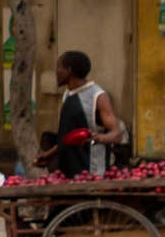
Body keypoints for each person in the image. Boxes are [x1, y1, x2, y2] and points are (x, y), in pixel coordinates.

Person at [35, 50, 124, 178]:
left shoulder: (98, 96)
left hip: (92, 174)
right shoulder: (68, 94)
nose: (56, 72)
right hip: (69, 172)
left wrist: (98, 138)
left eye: (59, 67)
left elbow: (117, 134)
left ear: (69, 70)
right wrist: (49, 154)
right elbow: (68, 137)